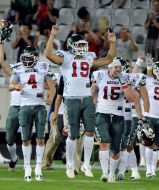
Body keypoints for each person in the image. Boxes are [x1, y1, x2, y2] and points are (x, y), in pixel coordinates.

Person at [45, 25, 125, 179]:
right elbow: (48, 54)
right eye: (79, 45)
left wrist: (113, 43)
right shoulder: (66, 57)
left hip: (87, 98)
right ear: (71, 46)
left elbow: (108, 59)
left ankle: (86, 164)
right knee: (73, 134)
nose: (82, 48)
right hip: (71, 99)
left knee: (90, 131)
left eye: (83, 45)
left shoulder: (89, 57)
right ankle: (69, 163)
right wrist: (52, 36)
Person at [9, 46, 55, 182]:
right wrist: (15, 86)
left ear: (35, 58)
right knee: (25, 139)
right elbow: (11, 85)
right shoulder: (18, 68)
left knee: (40, 138)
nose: (26, 60)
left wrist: (50, 98)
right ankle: (27, 166)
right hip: (24, 106)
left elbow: (52, 86)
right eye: (25, 57)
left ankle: (38, 167)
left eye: (29, 58)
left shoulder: (43, 67)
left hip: (40, 106)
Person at [91, 59, 136, 182]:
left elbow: (131, 98)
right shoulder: (100, 76)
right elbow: (93, 95)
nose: (118, 70)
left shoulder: (125, 78)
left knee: (116, 150)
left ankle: (112, 173)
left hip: (118, 115)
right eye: (115, 67)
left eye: (119, 68)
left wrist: (123, 83)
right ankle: (105, 173)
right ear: (109, 68)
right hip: (102, 113)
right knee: (104, 142)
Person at [0, 43, 22, 171]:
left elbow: (48, 85)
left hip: (28, 107)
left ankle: (28, 164)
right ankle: (13, 158)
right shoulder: (15, 73)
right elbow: (2, 61)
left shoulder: (35, 74)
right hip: (14, 108)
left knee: (27, 136)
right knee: (9, 138)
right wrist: (1, 44)